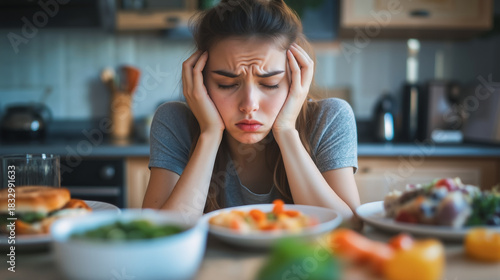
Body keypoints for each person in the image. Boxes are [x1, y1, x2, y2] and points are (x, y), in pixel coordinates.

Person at [142, 0, 360, 223]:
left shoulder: (330, 117)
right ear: (201, 81)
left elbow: (349, 227)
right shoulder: (174, 121)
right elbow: (158, 232)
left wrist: (285, 131)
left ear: (296, 81)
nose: (249, 104)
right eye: (226, 84)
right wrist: (209, 134)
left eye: (270, 84)